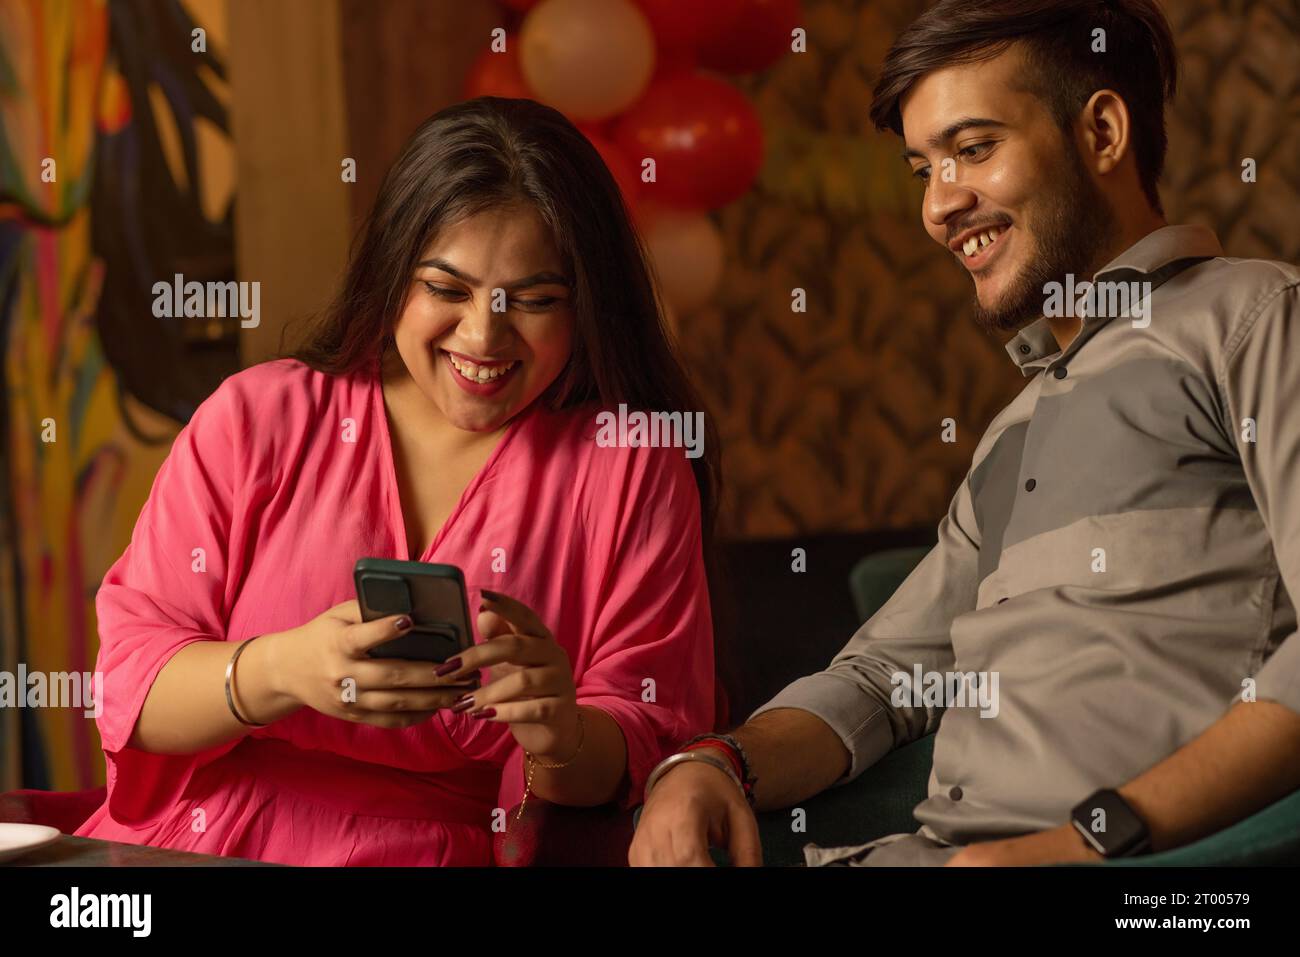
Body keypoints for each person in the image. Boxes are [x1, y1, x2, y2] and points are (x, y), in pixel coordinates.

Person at [631, 0, 1300, 867]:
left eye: (974, 149)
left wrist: (1078, 842)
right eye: (922, 170)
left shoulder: (1253, 319)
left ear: (1101, 132)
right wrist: (712, 760)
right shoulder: (1011, 434)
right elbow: (879, 680)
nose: (940, 205)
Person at [77, 97, 720, 866]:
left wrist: (561, 729)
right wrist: (283, 669)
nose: (483, 336)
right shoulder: (257, 418)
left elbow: (650, 745)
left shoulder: (630, 464)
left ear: (587, 306)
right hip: (197, 847)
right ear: (392, 277)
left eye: (536, 299)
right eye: (446, 289)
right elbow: (130, 686)